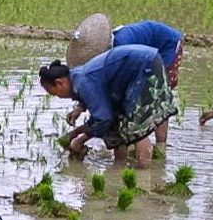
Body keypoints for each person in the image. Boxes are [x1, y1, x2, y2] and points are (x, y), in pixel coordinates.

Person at [39, 45, 178, 169]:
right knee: (116, 125)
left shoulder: (83, 82)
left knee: (136, 127)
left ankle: (143, 174)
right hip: (137, 68)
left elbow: (103, 119)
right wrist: (80, 109)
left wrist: (78, 138)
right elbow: (103, 107)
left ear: (59, 83)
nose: (59, 97)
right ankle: (119, 168)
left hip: (145, 66)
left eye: (55, 93)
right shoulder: (78, 78)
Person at [66, 15, 184, 152]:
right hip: (147, 55)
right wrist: (80, 107)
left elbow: (119, 90)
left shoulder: (121, 47)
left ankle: (160, 147)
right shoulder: (108, 53)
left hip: (166, 46)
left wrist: (82, 134)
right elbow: (98, 86)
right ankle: (132, 143)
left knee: (158, 96)